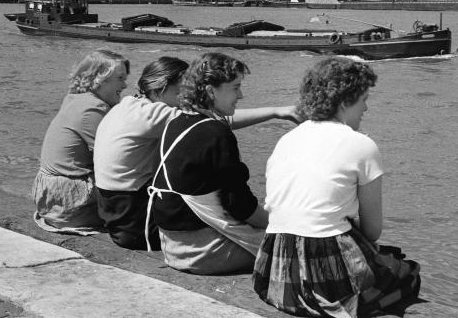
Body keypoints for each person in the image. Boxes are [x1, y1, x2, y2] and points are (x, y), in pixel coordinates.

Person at [252, 57, 421, 317]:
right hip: (326, 269)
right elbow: (373, 231)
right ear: (344, 102)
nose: (366, 108)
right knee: (407, 273)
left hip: (276, 269)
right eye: (364, 99)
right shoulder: (361, 145)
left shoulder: (287, 139)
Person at [95, 55, 297, 251]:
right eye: (181, 92)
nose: (187, 98)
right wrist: (277, 112)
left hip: (114, 211)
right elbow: (215, 121)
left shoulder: (129, 104)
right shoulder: (155, 113)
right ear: (160, 89)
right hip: (137, 221)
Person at [148, 52, 272, 274]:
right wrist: (276, 224)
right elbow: (241, 206)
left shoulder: (175, 123)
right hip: (204, 251)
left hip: (171, 245)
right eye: (235, 87)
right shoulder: (216, 133)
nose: (241, 95)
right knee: (294, 246)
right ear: (210, 91)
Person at [31, 49, 129, 235]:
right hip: (72, 205)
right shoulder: (94, 108)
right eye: (120, 78)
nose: (125, 85)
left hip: (51, 198)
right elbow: (116, 160)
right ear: (99, 79)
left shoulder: (74, 99)